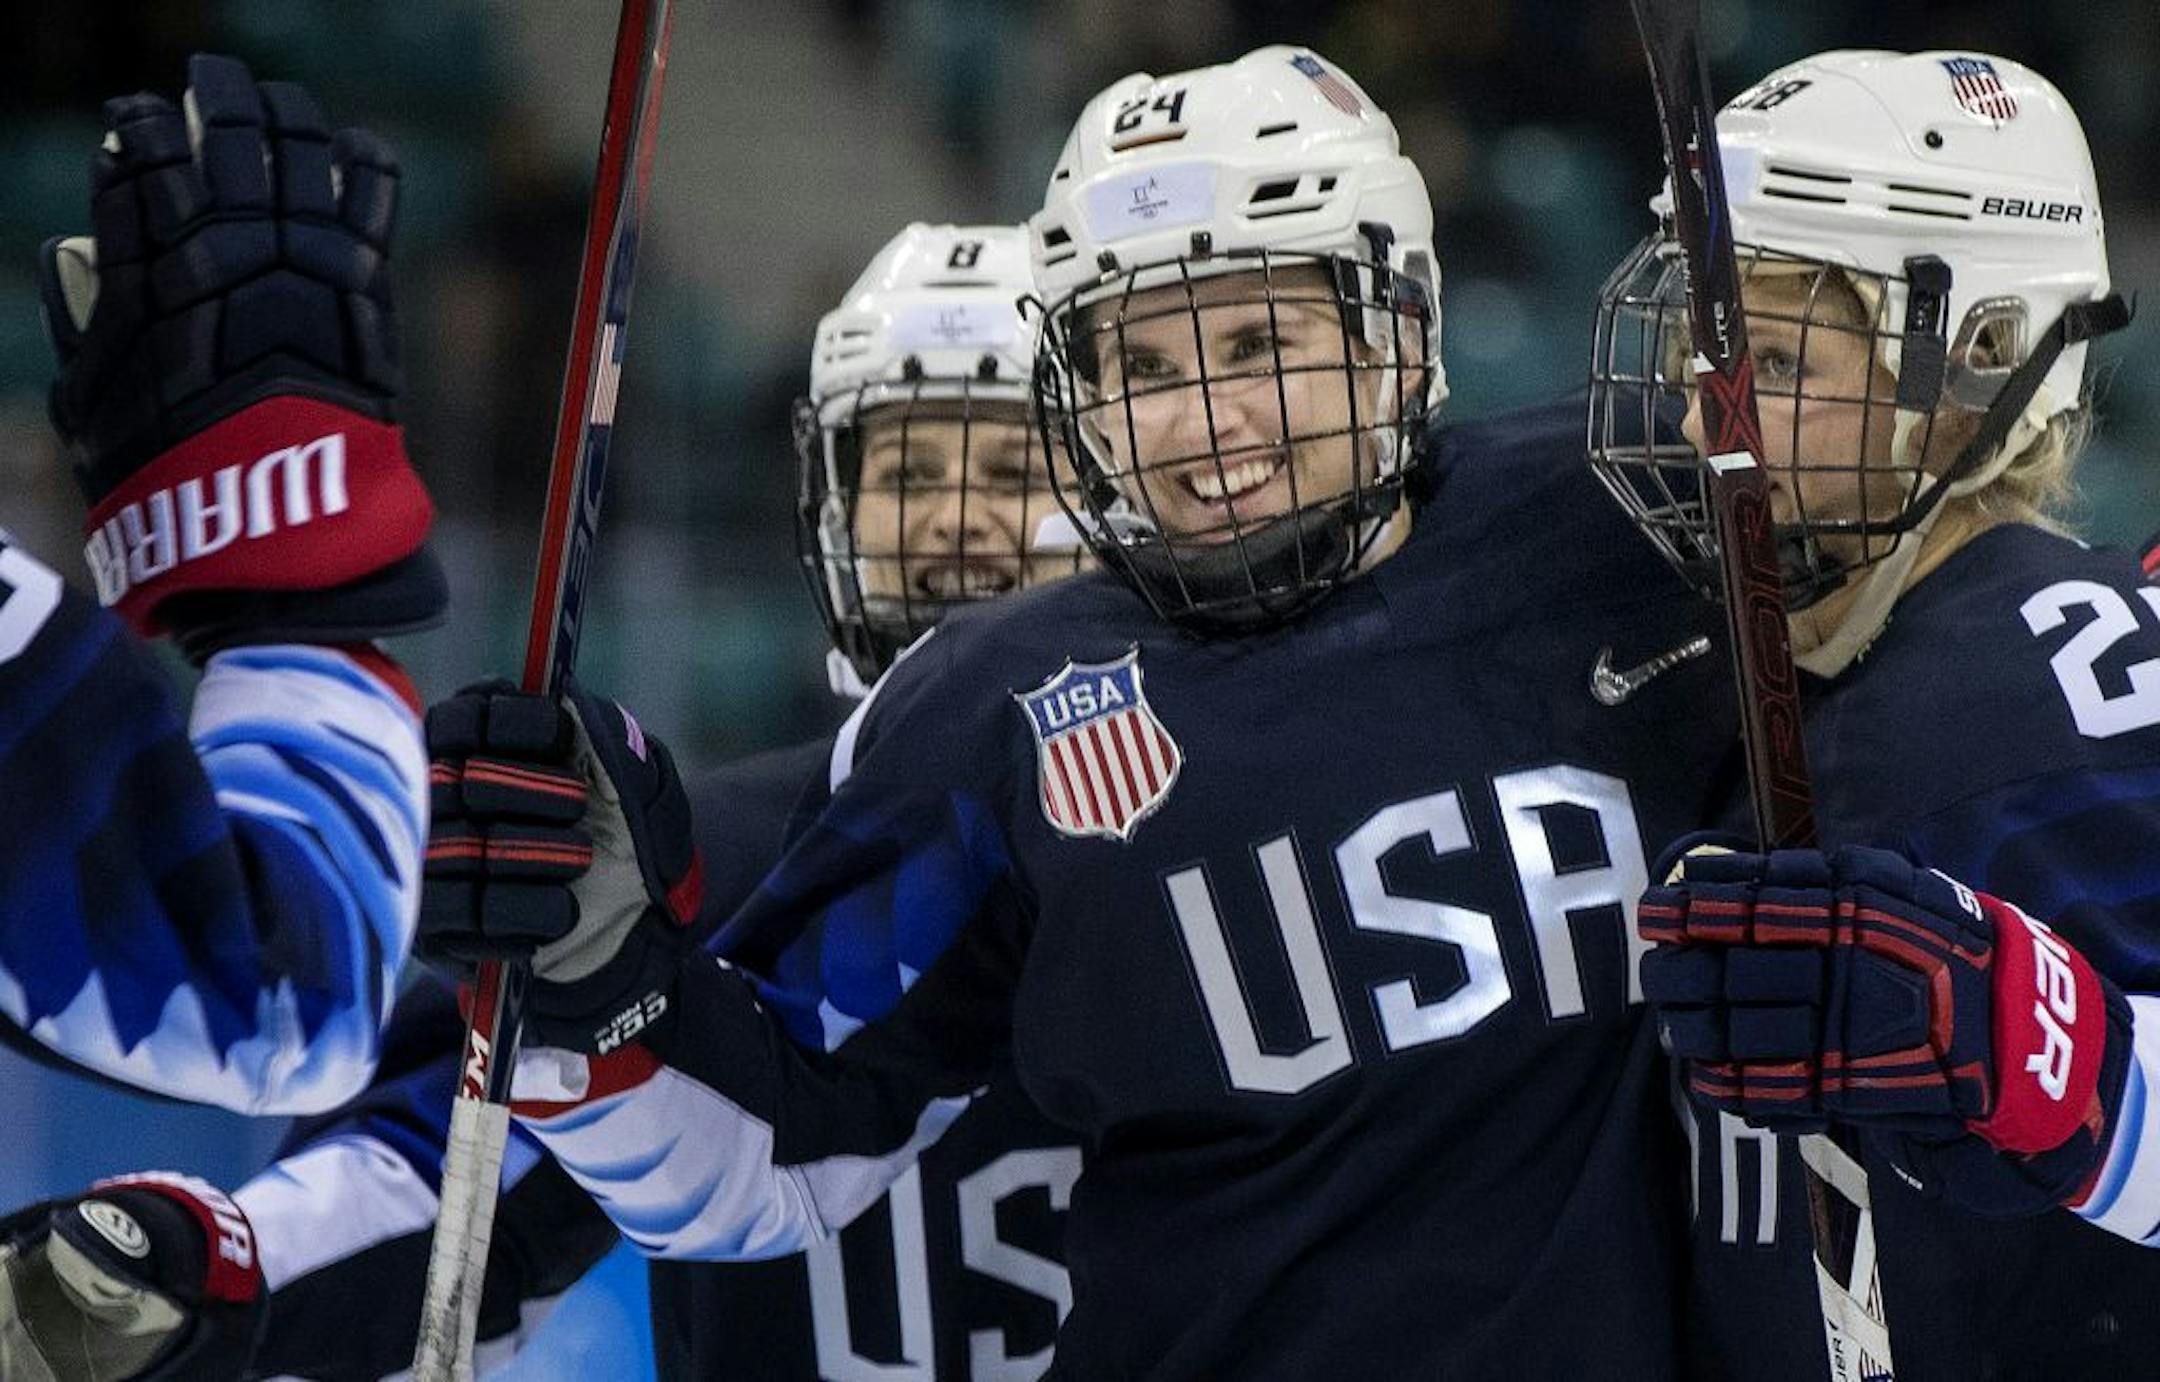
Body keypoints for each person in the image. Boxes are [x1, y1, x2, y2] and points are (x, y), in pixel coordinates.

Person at [438, 48, 1738, 1377]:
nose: (1205, 420)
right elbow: (767, 1156)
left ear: (1398, 336)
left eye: (1258, 343)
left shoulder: (1618, 521)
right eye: (1145, 364)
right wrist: (594, 977)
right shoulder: (990, 709)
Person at [0, 224, 1090, 1381]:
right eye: (907, 474)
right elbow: (449, 1177)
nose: (950, 518)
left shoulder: (1203, 797)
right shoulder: (724, 854)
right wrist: (207, 1262)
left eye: (1010, 472)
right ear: (832, 508)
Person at [1588, 48, 2160, 1381]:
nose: (1709, 413)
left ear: (1981, 362)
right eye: (1701, 352)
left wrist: (2045, 1053)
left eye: (1776, 358)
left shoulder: (2009, 734)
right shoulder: (1775, 675)